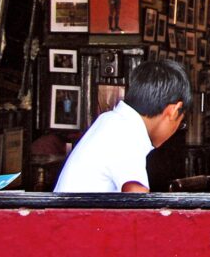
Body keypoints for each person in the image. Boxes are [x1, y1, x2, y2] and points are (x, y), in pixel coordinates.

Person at [55, 59, 190, 192]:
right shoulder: (126, 132)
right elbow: (136, 197)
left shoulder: (112, 121)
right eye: (181, 124)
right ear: (173, 111)